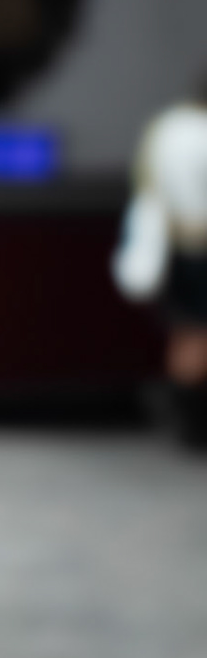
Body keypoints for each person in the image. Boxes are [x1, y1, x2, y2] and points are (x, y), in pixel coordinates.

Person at [114, 71, 207, 447]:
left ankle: (185, 417)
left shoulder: (166, 128)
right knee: (198, 334)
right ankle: (194, 420)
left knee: (185, 331)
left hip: (176, 245)